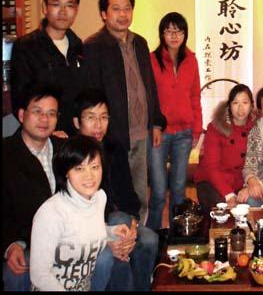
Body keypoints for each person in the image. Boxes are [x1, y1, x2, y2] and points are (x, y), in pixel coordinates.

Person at [83, 0, 165, 222]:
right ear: (103, 13)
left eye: (127, 9)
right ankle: (118, 236)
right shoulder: (93, 46)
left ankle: (139, 235)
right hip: (113, 134)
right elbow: (92, 92)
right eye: (116, 9)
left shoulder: (140, 42)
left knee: (140, 193)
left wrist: (156, 122)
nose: (123, 14)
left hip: (141, 133)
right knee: (114, 194)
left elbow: (149, 85)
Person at [72, 89, 158, 291]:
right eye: (91, 118)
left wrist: (133, 222)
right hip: (90, 227)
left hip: (121, 222)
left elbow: (128, 194)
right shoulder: (72, 154)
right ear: (77, 122)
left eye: (103, 117)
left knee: (150, 239)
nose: (98, 125)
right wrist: (111, 234)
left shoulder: (114, 148)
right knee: (120, 237)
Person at [29, 135, 129, 291]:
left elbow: (81, 229)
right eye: (79, 168)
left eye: (94, 167)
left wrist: (111, 231)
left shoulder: (99, 198)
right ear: (66, 172)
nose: (89, 176)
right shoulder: (51, 213)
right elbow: (39, 276)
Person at [2, 85, 64, 291]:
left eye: (51, 113)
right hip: (27, 243)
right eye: (37, 111)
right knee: (16, 275)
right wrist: (10, 244)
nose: (45, 119)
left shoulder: (65, 150)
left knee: (108, 256)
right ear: (21, 115)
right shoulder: (6, 153)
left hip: (69, 239)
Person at [10, 0, 85, 137]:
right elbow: (20, 100)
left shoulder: (79, 47)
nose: (63, 11)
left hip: (75, 137)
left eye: (69, 5)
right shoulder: (26, 46)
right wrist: (48, 130)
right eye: (56, 4)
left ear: (76, 10)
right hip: (42, 136)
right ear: (45, 8)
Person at [147, 12, 203, 230]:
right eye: (169, 31)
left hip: (184, 133)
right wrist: (153, 125)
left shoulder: (191, 60)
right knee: (159, 191)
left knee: (179, 189)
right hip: (159, 133)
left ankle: (177, 235)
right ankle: (153, 235)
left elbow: (195, 95)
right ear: (162, 34)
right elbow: (149, 97)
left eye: (178, 31)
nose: (174, 36)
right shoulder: (152, 60)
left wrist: (197, 129)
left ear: (185, 34)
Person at [194, 84, 257, 213]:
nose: (240, 108)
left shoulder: (257, 126)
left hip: (241, 182)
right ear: (229, 106)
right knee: (223, 210)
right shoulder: (216, 127)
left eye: (245, 102)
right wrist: (228, 194)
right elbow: (211, 166)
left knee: (250, 208)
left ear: (251, 105)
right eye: (235, 103)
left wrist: (250, 184)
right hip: (213, 181)